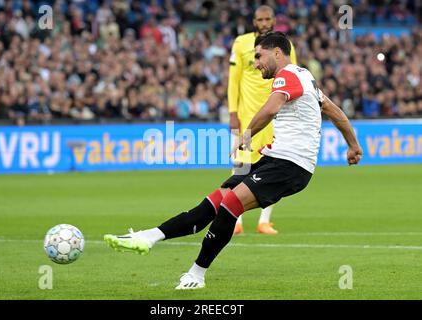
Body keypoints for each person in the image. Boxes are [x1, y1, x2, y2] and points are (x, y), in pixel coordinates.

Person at [104, 32, 363, 290]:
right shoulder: (305, 78)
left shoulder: (288, 75)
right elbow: (334, 111)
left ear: (277, 53)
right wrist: (353, 144)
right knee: (212, 204)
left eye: (259, 56)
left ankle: (196, 274)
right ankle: (148, 237)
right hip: (273, 159)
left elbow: (271, 109)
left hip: (290, 165)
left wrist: (246, 134)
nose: (256, 63)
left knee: (230, 204)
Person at [228, 5, 298, 235]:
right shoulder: (241, 43)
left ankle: (264, 220)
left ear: (274, 20)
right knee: (242, 164)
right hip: (248, 112)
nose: (264, 22)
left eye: (268, 18)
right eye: (260, 19)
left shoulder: (284, 46)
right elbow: (233, 79)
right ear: (254, 21)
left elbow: (292, 76)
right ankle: (235, 219)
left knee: (274, 162)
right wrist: (232, 112)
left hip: (275, 112)